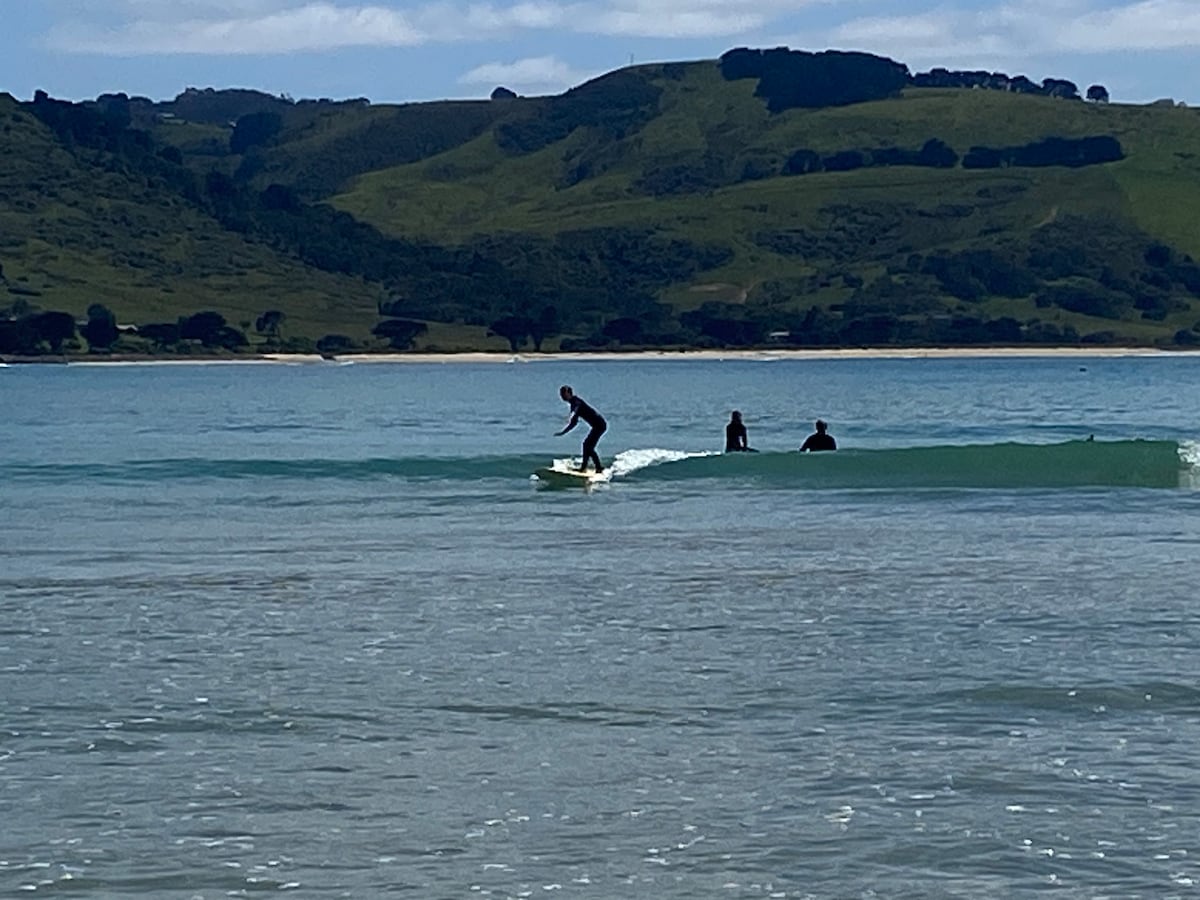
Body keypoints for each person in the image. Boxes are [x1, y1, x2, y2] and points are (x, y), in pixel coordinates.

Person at [556, 385, 607, 472]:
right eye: (561, 395)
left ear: (569, 393)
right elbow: (574, 423)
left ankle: (597, 468)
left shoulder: (576, 401)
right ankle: (585, 467)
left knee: (588, 447)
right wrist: (563, 432)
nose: (562, 397)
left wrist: (571, 416)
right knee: (586, 445)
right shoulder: (573, 404)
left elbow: (576, 409)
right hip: (597, 426)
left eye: (563, 394)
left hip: (600, 425)